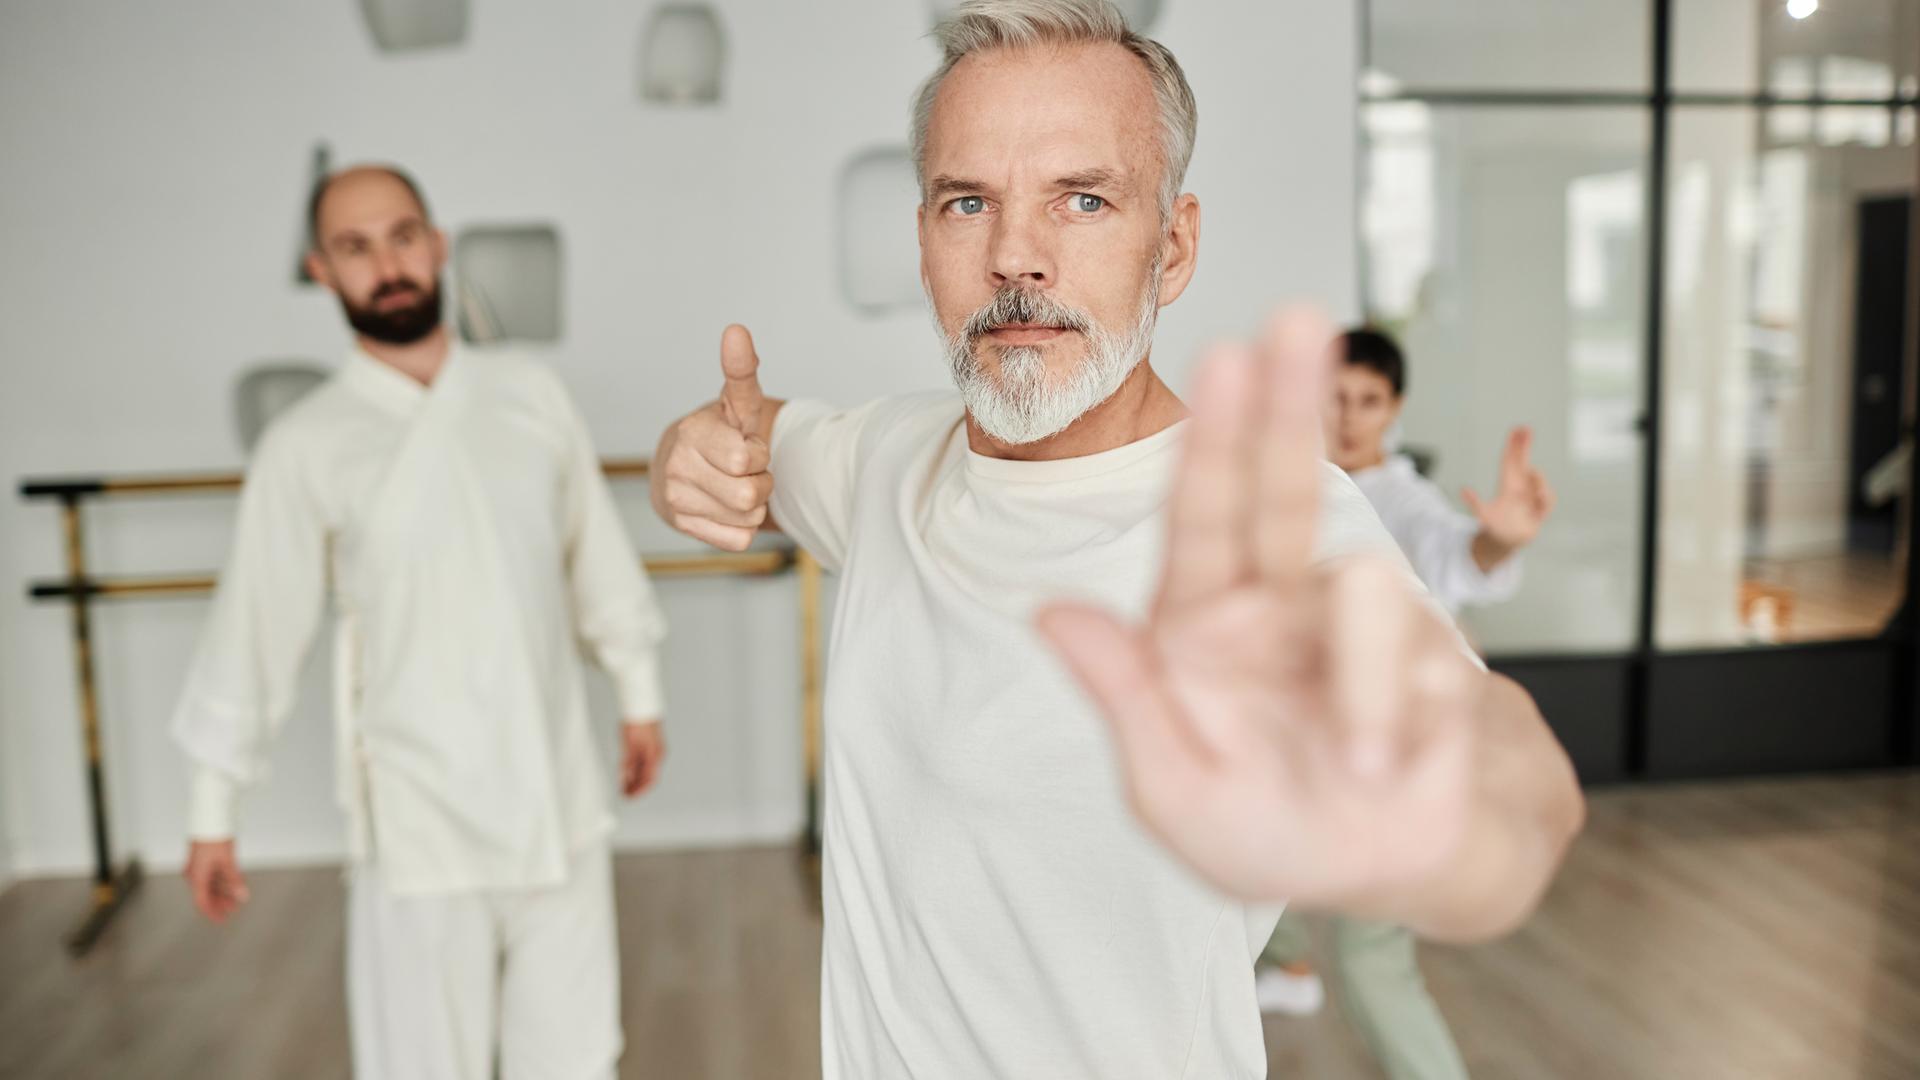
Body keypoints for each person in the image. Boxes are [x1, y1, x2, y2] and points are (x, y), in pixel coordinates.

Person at [648, 2, 1585, 1076]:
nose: (1014, 258)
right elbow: (751, 443)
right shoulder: (886, 458)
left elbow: (1506, 786)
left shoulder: (1265, 524)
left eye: (1081, 200)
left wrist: (1430, 823)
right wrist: (694, 453)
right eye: (968, 203)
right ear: (922, 240)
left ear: (1173, 245)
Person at [172, 165, 669, 1080]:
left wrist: (637, 692)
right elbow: (255, 628)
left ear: (438, 245)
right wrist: (213, 810)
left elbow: (590, 551)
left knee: (575, 1058)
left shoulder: (528, 393)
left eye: (402, 236)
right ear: (322, 270)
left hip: (553, 793)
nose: (386, 264)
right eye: (355, 248)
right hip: (416, 821)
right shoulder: (306, 444)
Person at [1253, 327, 1558, 1080]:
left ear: (1396, 409)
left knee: (1370, 961)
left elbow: (1456, 554)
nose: (1350, 417)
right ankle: (1287, 965)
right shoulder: (1294, 487)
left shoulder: (1403, 502)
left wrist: (1498, 543)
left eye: (1369, 401)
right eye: (1336, 398)